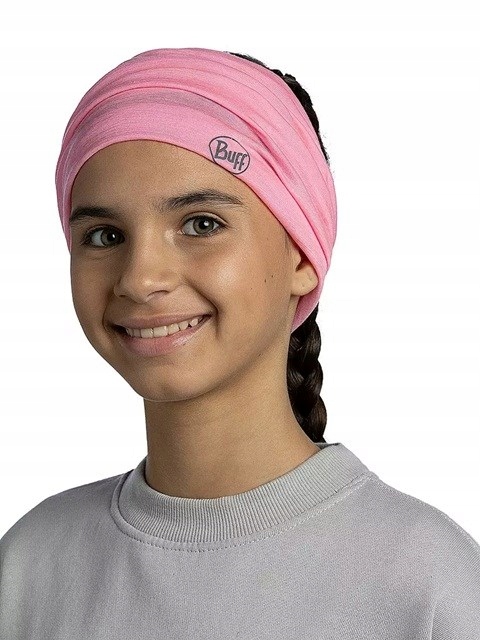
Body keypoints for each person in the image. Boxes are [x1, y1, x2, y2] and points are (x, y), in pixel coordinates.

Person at [0, 47, 478, 639]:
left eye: (201, 224)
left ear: (302, 256)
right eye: (104, 235)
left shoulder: (429, 585)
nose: (140, 279)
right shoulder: (29, 569)